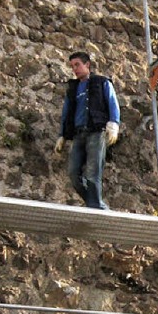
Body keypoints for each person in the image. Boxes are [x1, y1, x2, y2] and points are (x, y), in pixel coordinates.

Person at [54, 51, 121, 210]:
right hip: (78, 134)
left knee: (93, 173)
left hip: (96, 132)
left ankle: (95, 205)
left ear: (87, 64)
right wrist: (62, 135)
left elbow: (113, 102)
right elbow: (66, 111)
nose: (74, 69)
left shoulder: (101, 82)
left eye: (77, 64)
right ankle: (95, 204)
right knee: (73, 173)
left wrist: (114, 123)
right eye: (72, 66)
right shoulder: (73, 88)